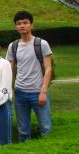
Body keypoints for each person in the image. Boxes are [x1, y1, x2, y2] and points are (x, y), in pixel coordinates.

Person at [9, 10, 53, 142]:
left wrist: (43, 92)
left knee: (46, 128)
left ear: (31, 25)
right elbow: (9, 70)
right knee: (23, 131)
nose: (22, 25)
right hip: (20, 93)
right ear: (16, 27)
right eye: (19, 23)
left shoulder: (41, 44)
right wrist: (10, 91)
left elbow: (48, 69)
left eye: (25, 23)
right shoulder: (13, 46)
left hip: (38, 92)